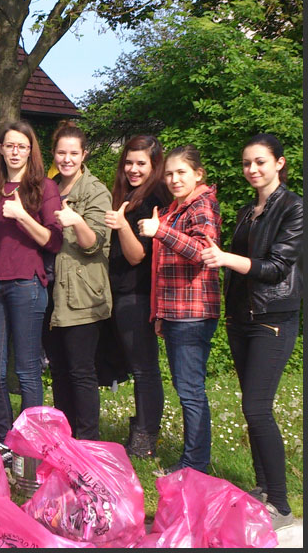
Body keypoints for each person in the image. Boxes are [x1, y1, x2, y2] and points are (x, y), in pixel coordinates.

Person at [200, 134, 301, 530]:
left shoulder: (294, 208)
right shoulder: (248, 211)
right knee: (249, 406)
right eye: (247, 163)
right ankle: (262, 487)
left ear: (279, 163)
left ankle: (281, 503)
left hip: (273, 316)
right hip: (242, 317)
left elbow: (277, 267)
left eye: (260, 162)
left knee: (258, 408)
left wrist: (226, 258)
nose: (252, 170)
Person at [0, 120, 63, 465]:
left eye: (21, 146)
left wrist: (22, 214)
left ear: (30, 150)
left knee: (26, 371)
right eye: (9, 145)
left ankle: (31, 443)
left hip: (27, 284)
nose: (15, 151)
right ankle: (5, 439)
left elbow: (53, 240)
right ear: (2, 150)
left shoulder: (43, 187)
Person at [138, 144, 220, 476]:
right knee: (186, 389)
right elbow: (164, 267)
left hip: (192, 312)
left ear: (198, 174)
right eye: (169, 173)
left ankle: (195, 465)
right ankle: (194, 461)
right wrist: (160, 313)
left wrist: (161, 231)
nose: (173, 179)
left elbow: (202, 250)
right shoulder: (176, 207)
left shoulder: (201, 206)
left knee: (190, 391)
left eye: (181, 172)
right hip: (176, 312)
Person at [45, 120, 112, 441]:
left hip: (83, 294)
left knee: (81, 372)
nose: (67, 159)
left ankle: (87, 443)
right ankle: (64, 438)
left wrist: (76, 220)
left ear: (84, 154)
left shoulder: (96, 191)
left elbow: (94, 243)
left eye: (73, 153)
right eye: (61, 152)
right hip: (52, 292)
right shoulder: (49, 188)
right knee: (58, 370)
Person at [104, 135, 171, 457]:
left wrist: (120, 226)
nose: (133, 168)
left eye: (141, 163)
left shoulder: (154, 198)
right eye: (128, 162)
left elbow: (136, 256)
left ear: (154, 165)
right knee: (137, 365)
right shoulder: (129, 195)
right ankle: (141, 428)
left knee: (145, 368)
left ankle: (145, 436)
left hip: (138, 292)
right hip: (120, 292)